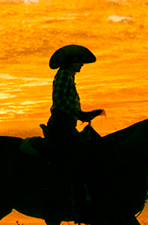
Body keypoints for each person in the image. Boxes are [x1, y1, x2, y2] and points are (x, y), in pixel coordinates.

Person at [42, 44, 106, 215]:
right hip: (61, 123)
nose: (82, 64)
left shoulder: (69, 76)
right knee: (81, 150)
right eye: (80, 61)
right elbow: (60, 101)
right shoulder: (63, 75)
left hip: (66, 123)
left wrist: (81, 115)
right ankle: (74, 196)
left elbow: (65, 103)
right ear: (71, 61)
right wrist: (80, 114)